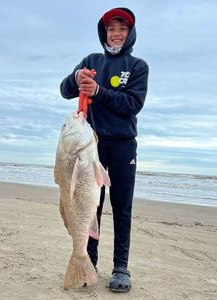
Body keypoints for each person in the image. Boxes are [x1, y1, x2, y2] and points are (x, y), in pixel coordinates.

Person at [60, 7, 149, 292]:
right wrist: (76, 80)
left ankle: (121, 267)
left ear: (130, 33)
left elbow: (132, 106)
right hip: (92, 147)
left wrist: (99, 91)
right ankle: (89, 261)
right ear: (104, 33)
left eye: (122, 28)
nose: (116, 33)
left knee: (122, 207)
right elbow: (64, 90)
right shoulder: (91, 60)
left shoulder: (138, 67)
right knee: (90, 205)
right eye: (111, 29)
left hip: (123, 146)